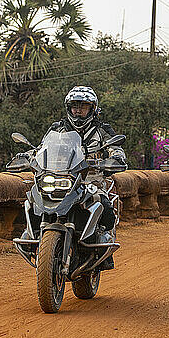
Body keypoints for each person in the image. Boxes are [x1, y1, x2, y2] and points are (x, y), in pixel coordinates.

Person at [41, 86, 126, 269]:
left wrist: (115, 158)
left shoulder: (102, 130)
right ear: (68, 108)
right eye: (74, 106)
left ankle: (103, 245)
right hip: (62, 176)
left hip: (91, 179)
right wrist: (29, 156)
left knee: (104, 206)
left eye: (83, 106)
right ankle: (34, 238)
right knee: (35, 198)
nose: (78, 110)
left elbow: (116, 148)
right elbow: (42, 148)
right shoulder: (58, 128)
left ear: (93, 109)